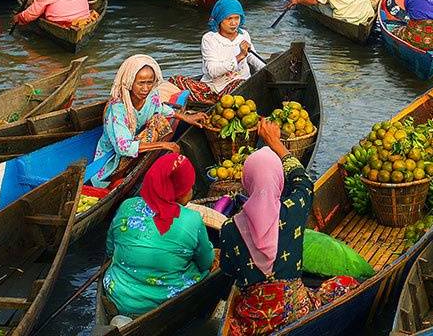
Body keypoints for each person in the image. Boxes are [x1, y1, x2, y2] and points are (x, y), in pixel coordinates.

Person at [220, 122, 358, 336]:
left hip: (252, 322)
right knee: (346, 284)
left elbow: (228, 270)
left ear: (246, 181)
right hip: (295, 311)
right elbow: (303, 181)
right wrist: (276, 143)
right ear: (279, 181)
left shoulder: (229, 228)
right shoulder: (292, 211)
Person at [102, 153, 215, 318]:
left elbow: (110, 249)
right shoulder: (192, 220)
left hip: (116, 293)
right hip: (161, 299)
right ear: (180, 191)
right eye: (189, 185)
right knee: (210, 264)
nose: (191, 189)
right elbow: (206, 263)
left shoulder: (127, 205)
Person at [91, 55, 206, 188]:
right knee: (130, 153)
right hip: (113, 158)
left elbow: (159, 108)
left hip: (136, 138)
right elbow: (124, 148)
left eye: (149, 82)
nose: (145, 89)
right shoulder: (118, 108)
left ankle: (143, 162)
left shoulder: (152, 94)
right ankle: (117, 178)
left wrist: (185, 117)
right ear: (129, 82)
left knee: (159, 120)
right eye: (140, 83)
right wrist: (163, 145)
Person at [169, 0, 266, 105]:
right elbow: (212, 71)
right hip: (214, 87)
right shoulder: (209, 39)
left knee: (239, 86)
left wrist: (267, 69)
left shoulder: (244, 35)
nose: (234, 23)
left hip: (239, 85)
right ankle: (214, 100)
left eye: (237, 18)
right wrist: (240, 57)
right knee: (175, 80)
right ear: (220, 19)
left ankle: (216, 102)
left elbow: (253, 58)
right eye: (229, 19)